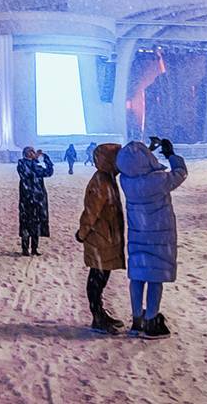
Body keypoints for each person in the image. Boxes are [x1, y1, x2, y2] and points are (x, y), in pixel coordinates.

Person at [117, 136, 188, 340]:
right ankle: (151, 319)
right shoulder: (159, 180)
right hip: (159, 237)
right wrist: (170, 154)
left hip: (138, 236)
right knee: (155, 278)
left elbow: (136, 166)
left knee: (138, 277)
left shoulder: (126, 181)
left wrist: (148, 150)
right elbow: (180, 173)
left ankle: (137, 319)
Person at [75, 142, 126, 334]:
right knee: (98, 275)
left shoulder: (107, 178)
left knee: (101, 275)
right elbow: (91, 212)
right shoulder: (101, 182)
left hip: (106, 236)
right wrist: (83, 233)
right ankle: (97, 315)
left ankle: (99, 313)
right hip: (100, 237)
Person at [16, 146, 54, 256]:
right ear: (25, 153)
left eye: (33, 151)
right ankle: (25, 248)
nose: (33, 153)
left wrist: (45, 158)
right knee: (26, 223)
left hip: (38, 199)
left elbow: (48, 172)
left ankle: (34, 248)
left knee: (37, 223)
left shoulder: (36, 165)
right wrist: (35, 161)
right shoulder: (22, 163)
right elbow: (27, 173)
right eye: (30, 151)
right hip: (27, 199)